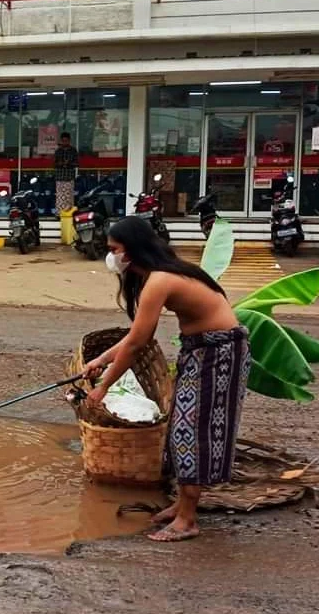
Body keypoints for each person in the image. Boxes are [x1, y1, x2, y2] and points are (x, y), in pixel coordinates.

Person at [76, 216, 249, 542]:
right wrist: (100, 360)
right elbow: (135, 337)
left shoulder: (161, 279)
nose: (111, 256)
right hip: (201, 350)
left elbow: (138, 344)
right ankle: (182, 506)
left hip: (218, 353)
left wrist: (103, 388)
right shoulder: (158, 275)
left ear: (133, 249)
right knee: (180, 426)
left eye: (115, 249)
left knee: (191, 430)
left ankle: (187, 519)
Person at [53, 132, 78, 213]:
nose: (65, 142)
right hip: (60, 177)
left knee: (69, 197)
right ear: (61, 141)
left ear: (69, 141)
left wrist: (69, 163)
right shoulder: (58, 151)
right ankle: (60, 213)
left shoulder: (73, 150)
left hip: (69, 177)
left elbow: (77, 163)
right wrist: (60, 164)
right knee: (60, 197)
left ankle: (69, 213)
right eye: (63, 141)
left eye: (66, 141)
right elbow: (54, 164)